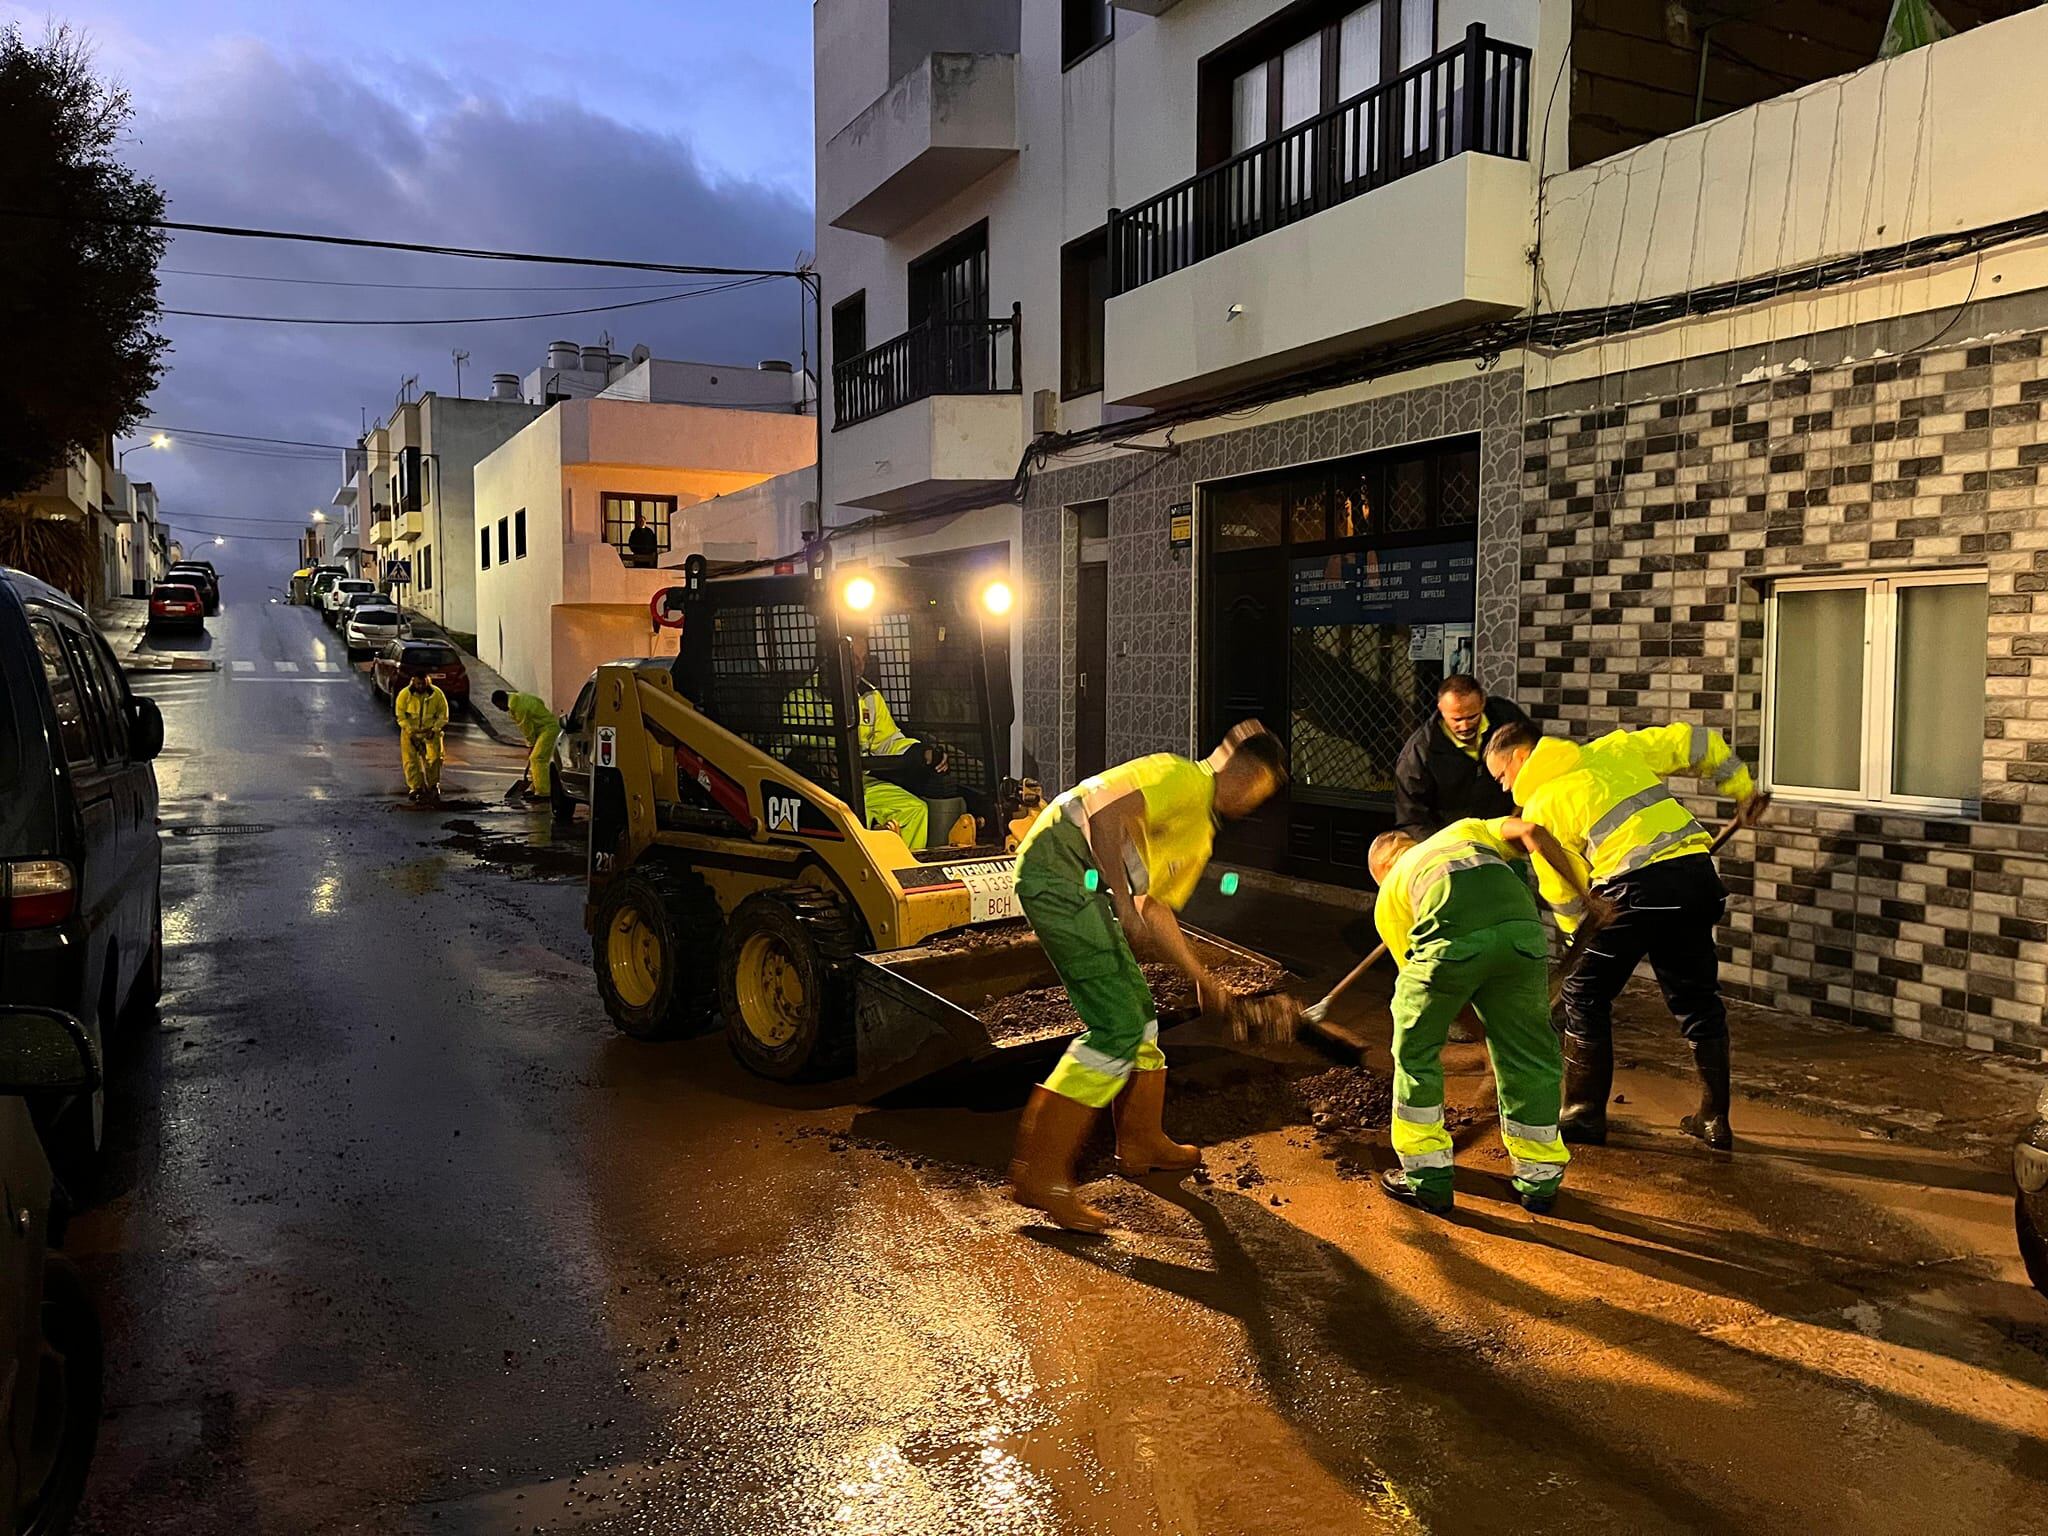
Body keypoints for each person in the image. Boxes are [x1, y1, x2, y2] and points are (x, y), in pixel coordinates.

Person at [1007, 723, 1289, 1233]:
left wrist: (1204, 980)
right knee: (1116, 1026)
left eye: (1261, 795)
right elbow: (1107, 812)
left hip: (1082, 887)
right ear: (1235, 768)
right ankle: (1041, 1172)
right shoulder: (1177, 775)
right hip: (1057, 869)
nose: (1251, 802)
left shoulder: (1200, 834)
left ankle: (1139, 1140)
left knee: (1141, 1017)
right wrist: (1119, 898)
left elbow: (1156, 909)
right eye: (1254, 786)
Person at [1484, 719, 1765, 1151]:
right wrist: (1740, 788)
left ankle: (1583, 1114)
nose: (1504, 789)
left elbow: (1562, 889)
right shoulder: (1613, 749)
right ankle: (1715, 1118)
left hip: (1635, 892)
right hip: (1696, 879)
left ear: (1521, 757)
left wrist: (1578, 938)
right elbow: (1697, 741)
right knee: (1696, 1000)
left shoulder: (1542, 804)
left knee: (1583, 994)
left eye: (1502, 776)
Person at [1367, 817, 1610, 1215]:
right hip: (1523, 932)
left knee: (1416, 1052)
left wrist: (1477, 1032)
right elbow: (1531, 830)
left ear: (1381, 871)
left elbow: (1437, 1001)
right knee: (1529, 1055)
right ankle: (1539, 1181)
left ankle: (1427, 1180)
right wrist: (1583, 896)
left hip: (1448, 945)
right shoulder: (1465, 830)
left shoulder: (1390, 894)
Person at [782, 635, 958, 851]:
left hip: (860, 781)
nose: (859, 666)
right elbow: (791, 750)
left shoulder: (870, 698)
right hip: (820, 788)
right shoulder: (800, 700)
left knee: (914, 809)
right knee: (855, 816)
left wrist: (920, 753)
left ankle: (901, 876)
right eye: (852, 657)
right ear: (827, 658)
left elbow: (888, 740)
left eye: (863, 659)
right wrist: (817, 756)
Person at [1392, 675, 1528, 840]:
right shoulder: (1418, 754)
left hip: (1511, 832)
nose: (1464, 726)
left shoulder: (1506, 718)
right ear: (1441, 709)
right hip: (1457, 844)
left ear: (1482, 703)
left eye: (1472, 717)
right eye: (1456, 719)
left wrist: (1522, 810)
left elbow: (1535, 757)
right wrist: (1446, 849)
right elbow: (1412, 820)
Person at [492, 688, 563, 804]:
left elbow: (526, 728)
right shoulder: (518, 698)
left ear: (501, 701)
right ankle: (535, 788)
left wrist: (531, 744)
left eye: (499, 706)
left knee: (537, 758)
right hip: (542, 728)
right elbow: (539, 701)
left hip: (548, 729)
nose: (500, 709)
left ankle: (544, 792)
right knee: (535, 758)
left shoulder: (518, 707)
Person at [395, 671, 448, 803]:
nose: (420, 686)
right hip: (410, 733)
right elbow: (401, 716)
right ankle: (416, 788)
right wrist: (410, 732)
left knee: (434, 759)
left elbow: (443, 715)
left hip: (430, 732)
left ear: (427, 681)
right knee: (411, 761)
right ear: (413, 681)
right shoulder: (404, 695)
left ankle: (433, 785)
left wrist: (435, 729)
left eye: (422, 683)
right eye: (418, 683)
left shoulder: (437, 695)